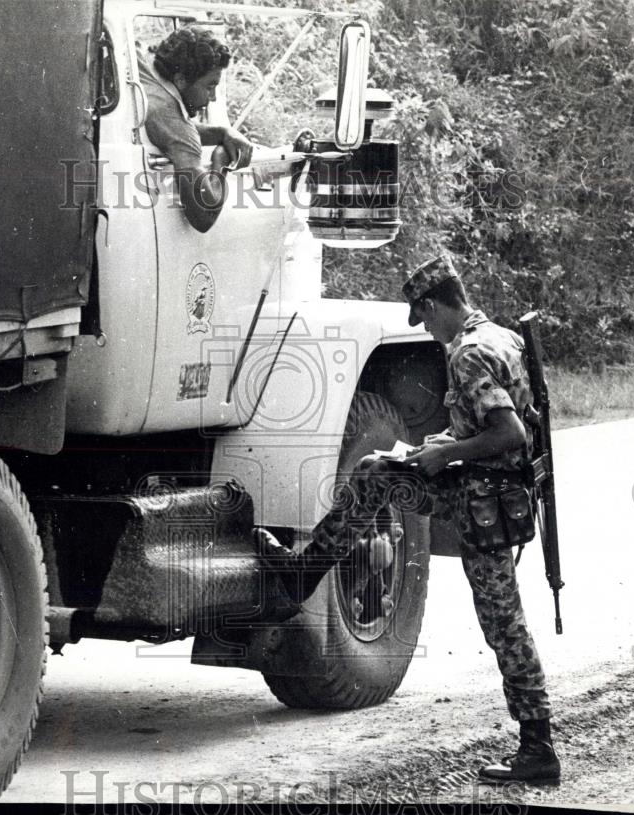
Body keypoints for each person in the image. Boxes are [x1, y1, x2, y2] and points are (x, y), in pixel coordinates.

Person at [256, 254, 560, 785]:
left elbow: (509, 434)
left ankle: (538, 749)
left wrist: (444, 456)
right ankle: (303, 575)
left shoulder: (468, 354)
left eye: (424, 318)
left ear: (436, 304)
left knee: (504, 626)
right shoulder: (499, 335)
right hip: (485, 490)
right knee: (376, 472)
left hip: (483, 503)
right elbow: (496, 427)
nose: (427, 331)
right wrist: (438, 447)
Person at [139, 27, 253, 232]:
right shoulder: (175, 122)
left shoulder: (142, 64)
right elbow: (203, 216)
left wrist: (222, 133)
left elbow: (166, 128)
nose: (212, 98)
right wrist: (221, 161)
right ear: (181, 79)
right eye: (209, 87)